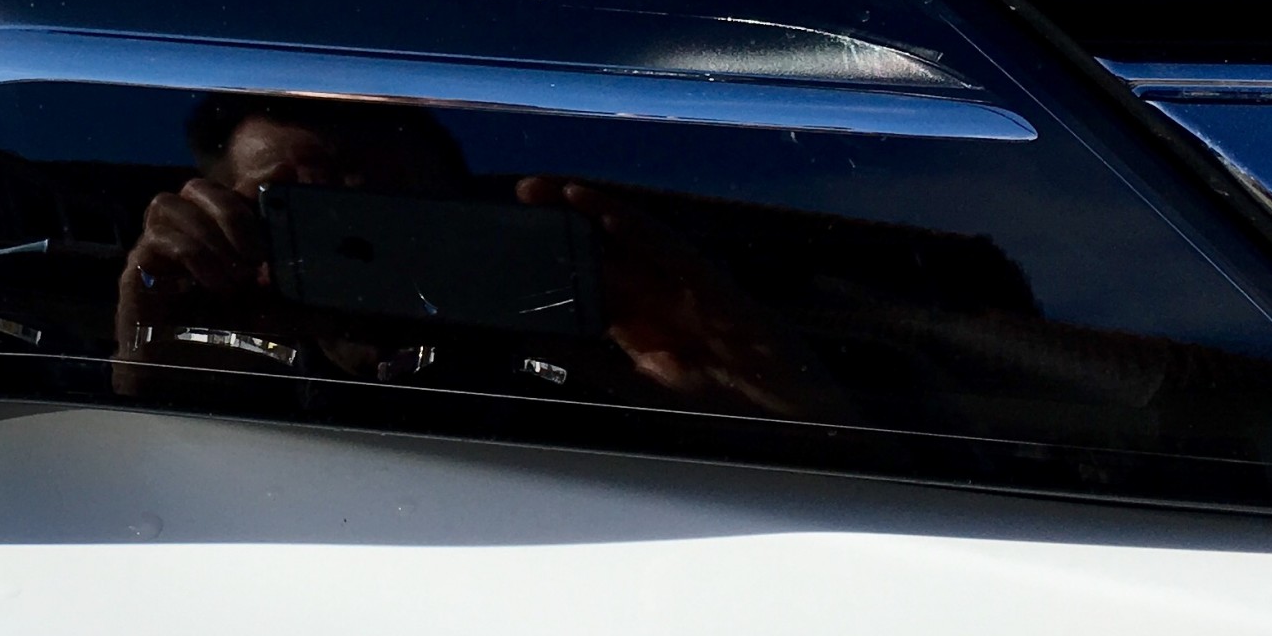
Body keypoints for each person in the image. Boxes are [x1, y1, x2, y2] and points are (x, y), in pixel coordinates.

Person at [114, 93, 844, 419]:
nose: (357, 239)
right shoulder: (220, 363)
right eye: (289, 210)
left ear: (467, 211)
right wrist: (148, 356)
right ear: (222, 223)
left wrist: (744, 383)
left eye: (389, 202)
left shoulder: (582, 369)